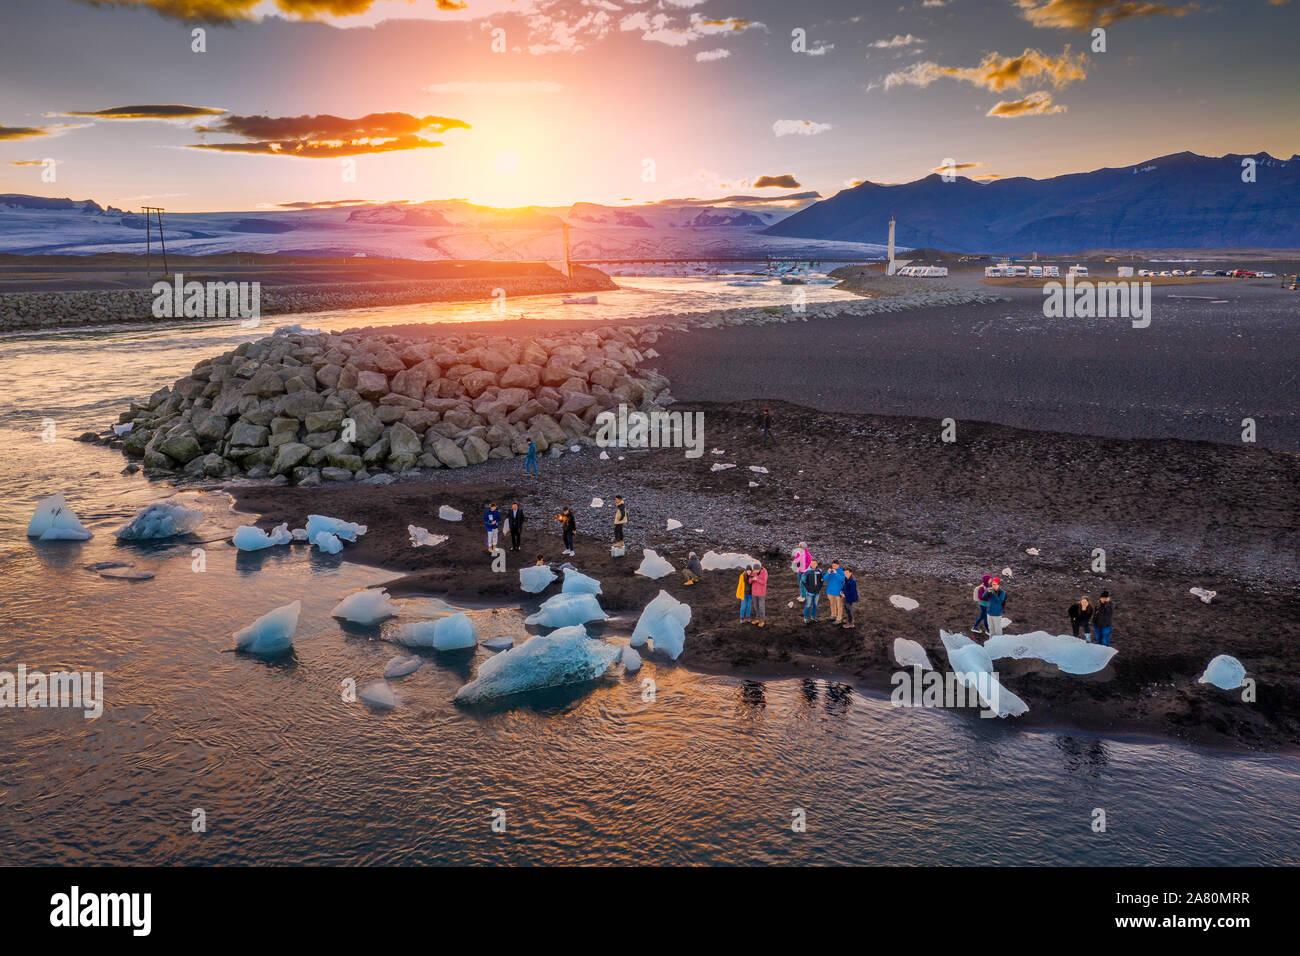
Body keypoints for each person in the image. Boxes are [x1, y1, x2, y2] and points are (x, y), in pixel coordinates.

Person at [824, 559, 846, 624]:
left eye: (835, 566)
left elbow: (842, 579)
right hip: (830, 591)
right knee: (832, 604)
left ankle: (839, 618)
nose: (834, 567)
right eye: (833, 566)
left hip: (838, 592)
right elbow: (824, 578)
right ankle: (833, 615)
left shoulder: (841, 571)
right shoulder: (830, 571)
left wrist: (836, 573)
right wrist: (828, 573)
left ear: (838, 565)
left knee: (839, 606)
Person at [750, 562, 768, 626]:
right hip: (754, 592)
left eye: (755, 570)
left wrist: (756, 579)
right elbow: (750, 580)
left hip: (761, 593)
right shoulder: (753, 572)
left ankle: (762, 620)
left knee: (761, 607)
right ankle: (757, 618)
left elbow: (764, 582)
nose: (754, 571)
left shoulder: (764, 572)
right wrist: (751, 579)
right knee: (756, 606)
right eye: (753, 570)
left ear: (759, 569)